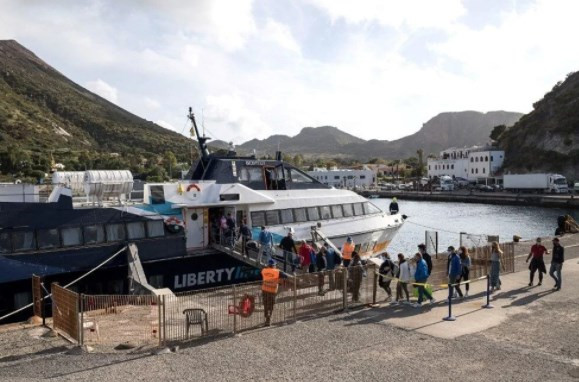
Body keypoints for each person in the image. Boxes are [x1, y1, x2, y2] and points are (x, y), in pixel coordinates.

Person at [261, 259, 280, 327]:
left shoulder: (264, 270)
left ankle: (267, 318)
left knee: (266, 305)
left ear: (268, 265)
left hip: (264, 290)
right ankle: (268, 319)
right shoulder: (277, 272)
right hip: (272, 291)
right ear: (274, 265)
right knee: (271, 306)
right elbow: (285, 276)